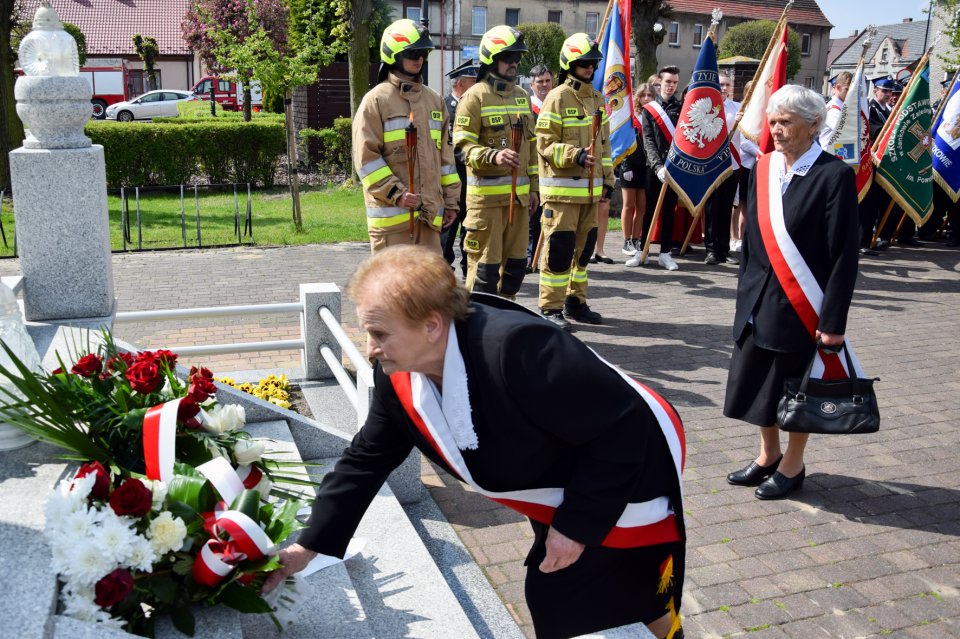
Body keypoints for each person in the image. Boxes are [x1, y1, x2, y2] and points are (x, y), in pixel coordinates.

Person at [263, 245, 687, 639]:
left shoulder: (518, 348)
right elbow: (366, 459)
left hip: (626, 478)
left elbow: (622, 429)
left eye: (379, 334)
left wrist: (575, 527)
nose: (370, 350)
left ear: (431, 324)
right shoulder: (397, 371)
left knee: (570, 598)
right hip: (567, 474)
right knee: (615, 596)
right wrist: (308, 545)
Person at [724, 85, 859, 500]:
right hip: (758, 299)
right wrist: (743, 293)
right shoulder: (763, 168)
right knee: (755, 384)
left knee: (794, 391)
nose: (776, 130)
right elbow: (750, 242)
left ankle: (793, 465)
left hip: (801, 305)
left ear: (814, 125)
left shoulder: (834, 175)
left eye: (786, 122)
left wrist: (833, 323)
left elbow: (843, 256)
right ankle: (767, 455)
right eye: (773, 121)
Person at [353, 19, 460, 253]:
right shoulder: (376, 101)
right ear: (393, 54)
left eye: (422, 52)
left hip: (430, 220)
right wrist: (396, 194)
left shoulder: (435, 101)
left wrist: (451, 202)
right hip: (393, 224)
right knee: (394, 289)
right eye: (412, 53)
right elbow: (366, 159)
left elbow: (446, 160)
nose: (419, 58)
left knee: (429, 288)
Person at [453, 26, 539, 297]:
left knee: (515, 271)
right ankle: (476, 330)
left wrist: (535, 188)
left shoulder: (522, 97)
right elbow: (462, 147)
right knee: (484, 276)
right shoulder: (474, 96)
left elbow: (532, 147)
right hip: (486, 205)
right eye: (508, 57)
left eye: (517, 57)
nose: (514, 63)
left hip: (520, 201)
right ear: (491, 58)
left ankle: (505, 327)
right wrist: (494, 156)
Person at [535, 33, 614, 329]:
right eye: (584, 64)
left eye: (593, 63)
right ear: (570, 64)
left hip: (591, 194)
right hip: (561, 195)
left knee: (582, 253)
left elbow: (604, 145)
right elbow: (544, 144)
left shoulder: (598, 99)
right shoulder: (556, 98)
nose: (590, 69)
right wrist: (575, 155)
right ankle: (550, 307)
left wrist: (608, 180)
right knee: (558, 251)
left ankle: (575, 302)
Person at [640, 65, 683, 270]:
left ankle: (665, 253)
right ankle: (643, 250)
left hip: (674, 168)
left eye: (674, 82)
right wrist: (657, 166)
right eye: (667, 82)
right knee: (649, 210)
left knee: (669, 210)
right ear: (659, 82)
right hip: (653, 168)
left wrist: (672, 164)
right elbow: (648, 140)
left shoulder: (683, 108)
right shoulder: (650, 109)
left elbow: (684, 141)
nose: (671, 86)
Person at [441, 58, 479, 276]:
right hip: (452, 179)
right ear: (461, 84)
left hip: (472, 180)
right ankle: (444, 269)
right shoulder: (444, 107)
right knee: (448, 228)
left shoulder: (475, 107)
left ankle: (469, 269)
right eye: (474, 80)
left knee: (470, 227)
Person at [702, 70, 741, 266]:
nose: (724, 88)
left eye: (727, 85)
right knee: (711, 209)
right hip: (712, 165)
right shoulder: (708, 109)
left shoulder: (738, 108)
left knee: (726, 209)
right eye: (721, 85)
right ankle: (710, 249)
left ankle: (723, 249)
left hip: (732, 165)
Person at [623, 83, 655, 266]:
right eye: (644, 95)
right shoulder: (630, 116)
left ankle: (636, 238)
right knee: (628, 205)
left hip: (646, 166)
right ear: (638, 97)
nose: (647, 98)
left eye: (650, 95)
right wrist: (625, 165)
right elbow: (624, 142)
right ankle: (627, 239)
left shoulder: (652, 116)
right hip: (630, 164)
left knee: (642, 206)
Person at [527, 64, 554, 271]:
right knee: (533, 216)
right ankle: (530, 255)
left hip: (554, 170)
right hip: (533, 168)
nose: (544, 85)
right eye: (540, 82)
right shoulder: (526, 107)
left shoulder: (556, 105)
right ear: (531, 84)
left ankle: (546, 254)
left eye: (547, 81)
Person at [733, 80, 758, 255]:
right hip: (745, 163)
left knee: (753, 204)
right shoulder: (742, 111)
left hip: (759, 163)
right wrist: (761, 151)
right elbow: (743, 142)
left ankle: (750, 237)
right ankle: (738, 237)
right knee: (741, 204)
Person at [818, 72, 851, 149]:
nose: (850, 93)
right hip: (829, 154)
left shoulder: (842, 106)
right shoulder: (833, 109)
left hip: (838, 151)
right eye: (847, 89)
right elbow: (845, 132)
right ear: (838, 87)